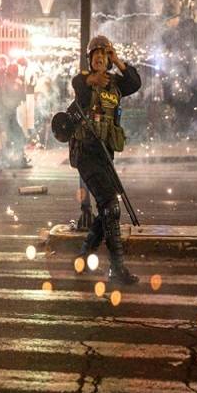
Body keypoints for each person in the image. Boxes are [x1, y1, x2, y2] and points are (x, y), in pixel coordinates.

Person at [70, 35, 141, 285]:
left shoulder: (114, 83)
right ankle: (116, 269)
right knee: (111, 206)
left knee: (106, 208)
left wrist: (118, 60)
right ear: (89, 59)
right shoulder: (84, 83)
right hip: (87, 155)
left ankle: (83, 257)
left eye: (104, 54)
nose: (99, 58)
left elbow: (135, 82)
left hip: (105, 155)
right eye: (95, 54)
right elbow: (76, 82)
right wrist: (91, 80)